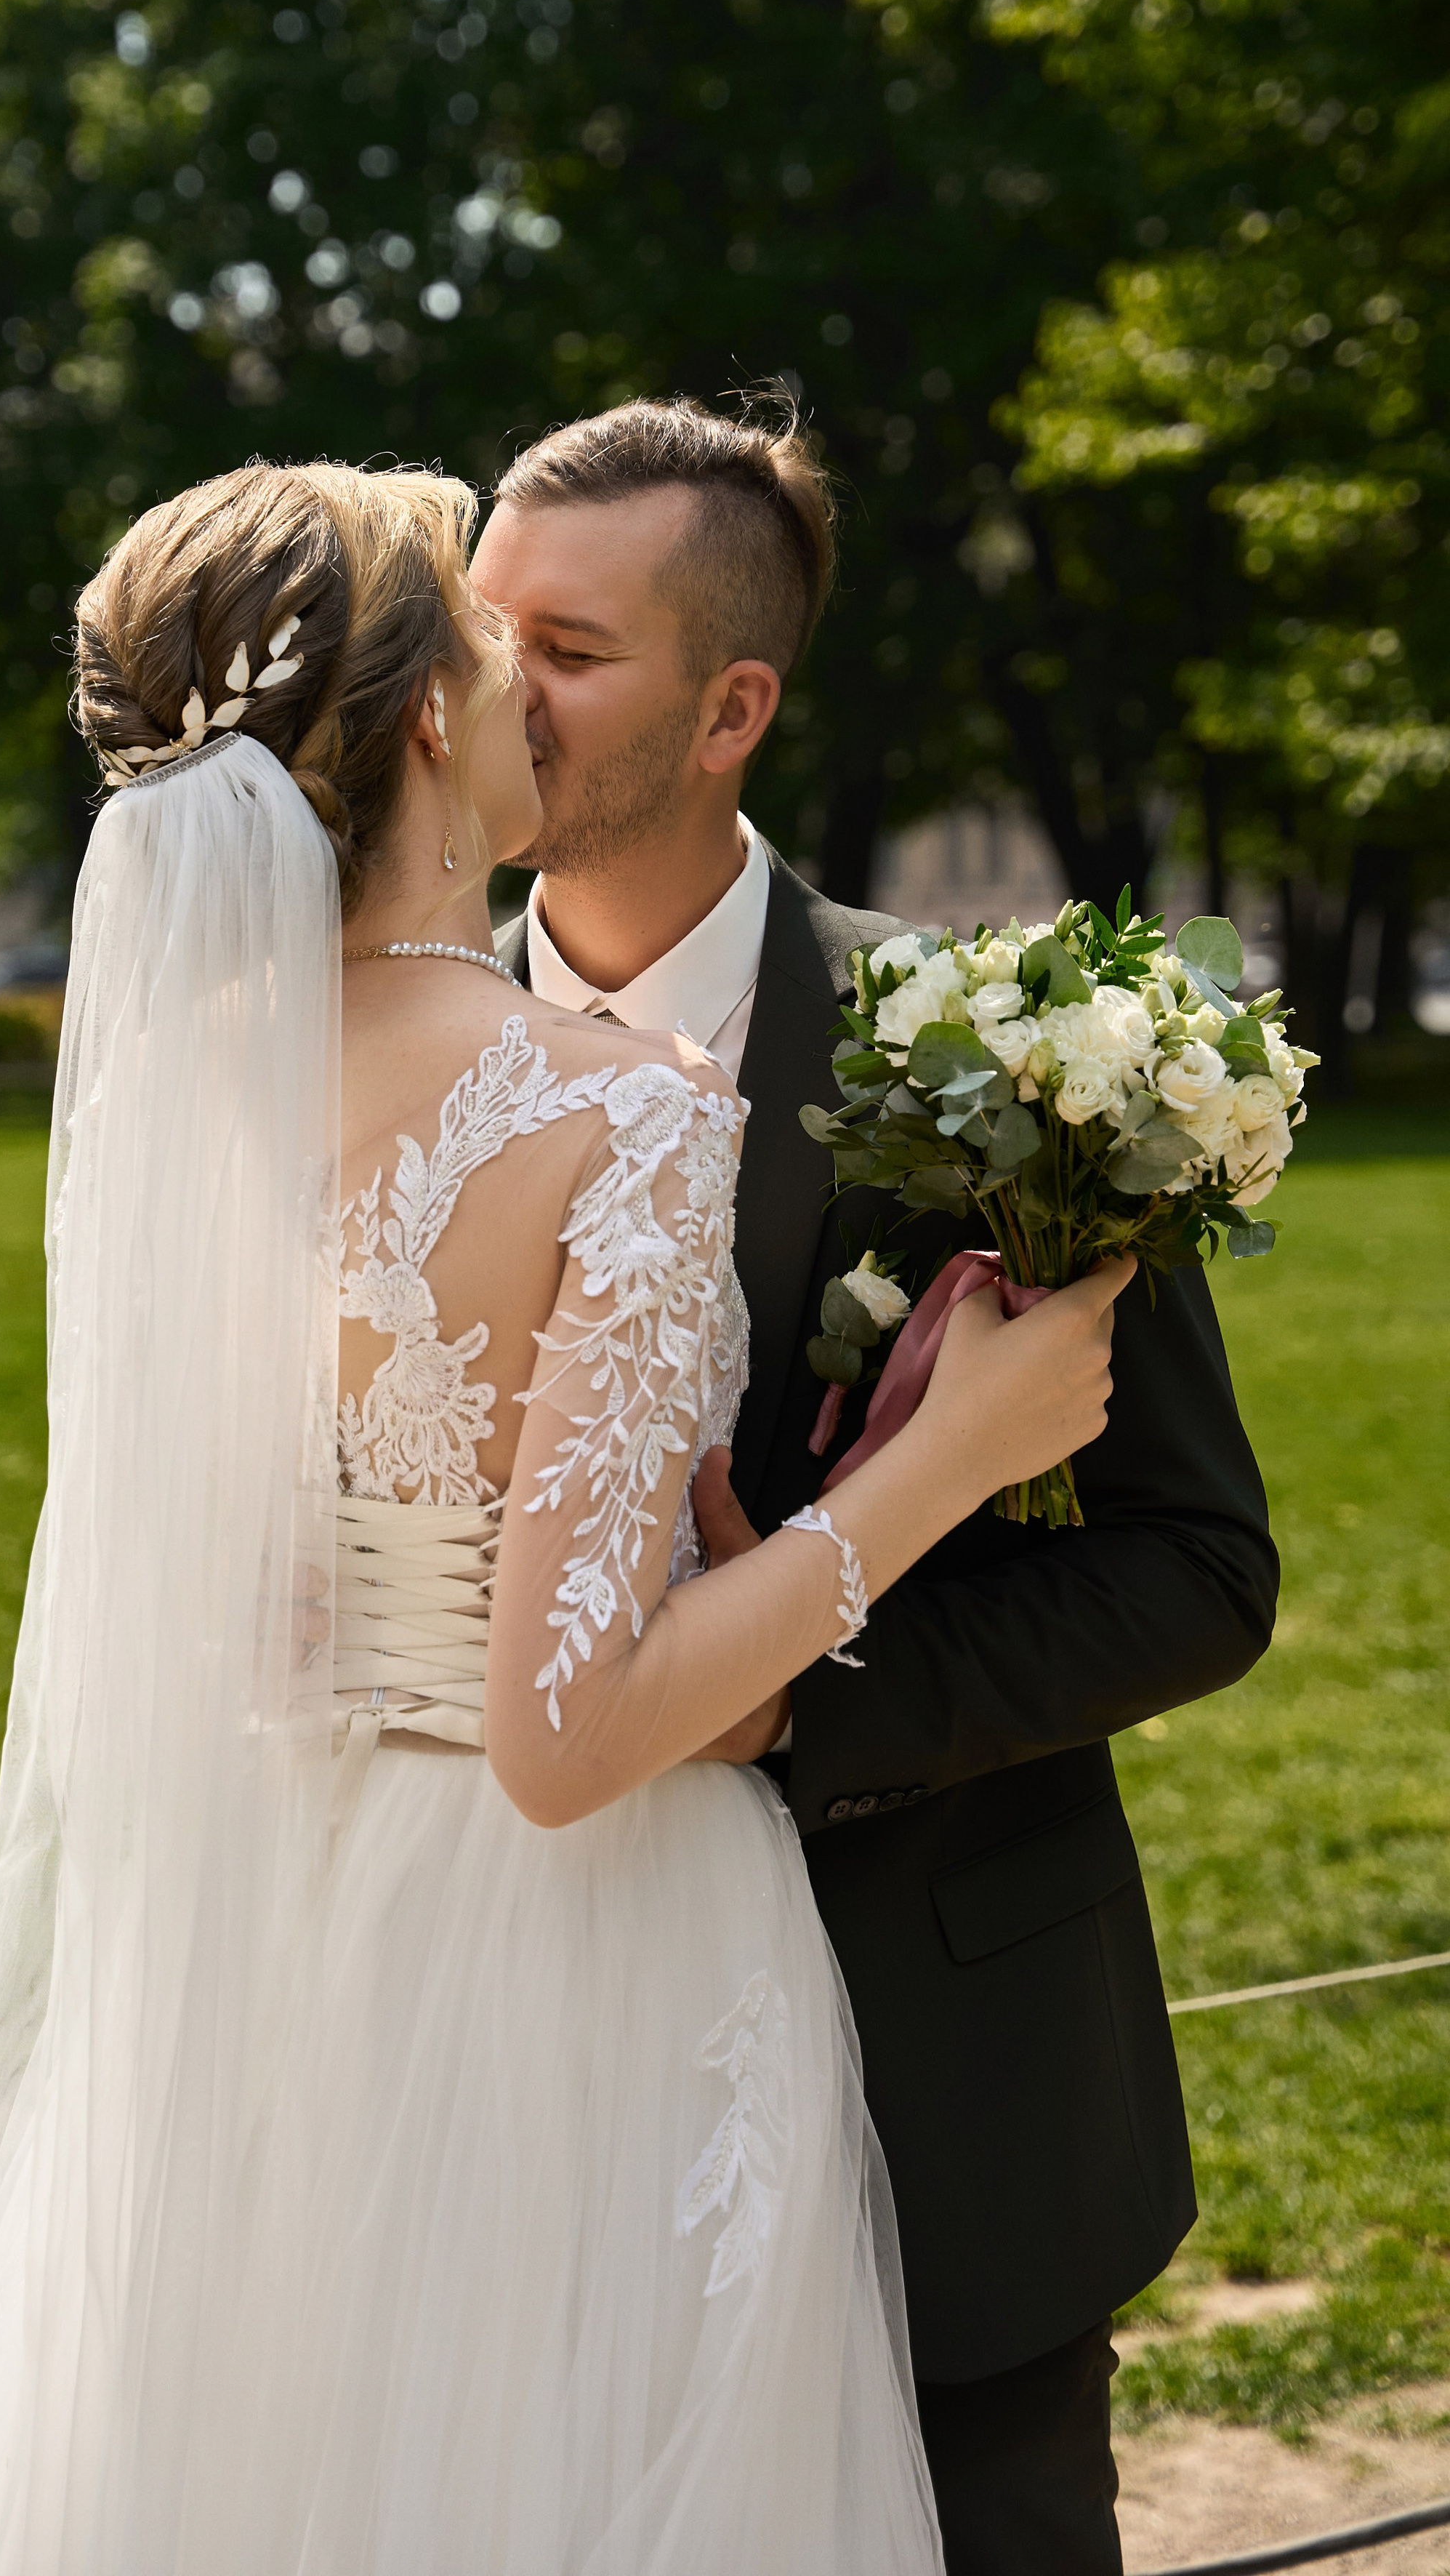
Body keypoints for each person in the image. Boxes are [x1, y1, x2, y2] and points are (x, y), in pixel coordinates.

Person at [0, 457, 1129, 2576]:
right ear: (429, 725)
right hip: (588, 1977)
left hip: (293, 1955)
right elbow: (566, 1741)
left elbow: (247, 1610)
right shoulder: (611, 1109)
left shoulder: (190, 1094)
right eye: (482, 640)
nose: (523, 689)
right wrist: (946, 1462)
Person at [472, 395, 1282, 2576]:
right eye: (478, 630)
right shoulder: (402, 1066)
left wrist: (797, 1696)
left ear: (734, 706)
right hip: (507, 2082)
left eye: (567, 647)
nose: (487, 688)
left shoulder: (997, 1060)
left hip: (948, 2083)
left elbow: (1198, 1570)